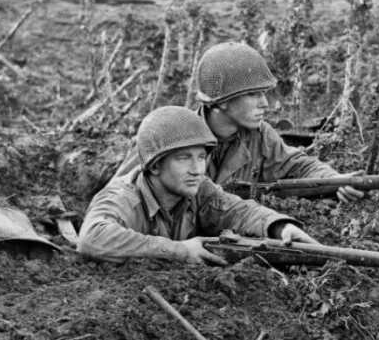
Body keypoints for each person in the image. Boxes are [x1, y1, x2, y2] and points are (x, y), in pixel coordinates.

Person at [114, 43, 364, 203]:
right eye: (253, 95)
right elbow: (117, 196)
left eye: (264, 93)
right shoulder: (170, 134)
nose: (265, 104)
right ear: (222, 101)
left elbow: (297, 165)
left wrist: (335, 180)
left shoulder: (258, 134)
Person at [78, 106, 316, 264]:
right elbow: (92, 238)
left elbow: (238, 211)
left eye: (201, 157)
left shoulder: (199, 188)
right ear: (155, 166)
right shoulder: (122, 196)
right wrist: (180, 251)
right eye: (183, 158)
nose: (197, 169)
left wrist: (279, 227)